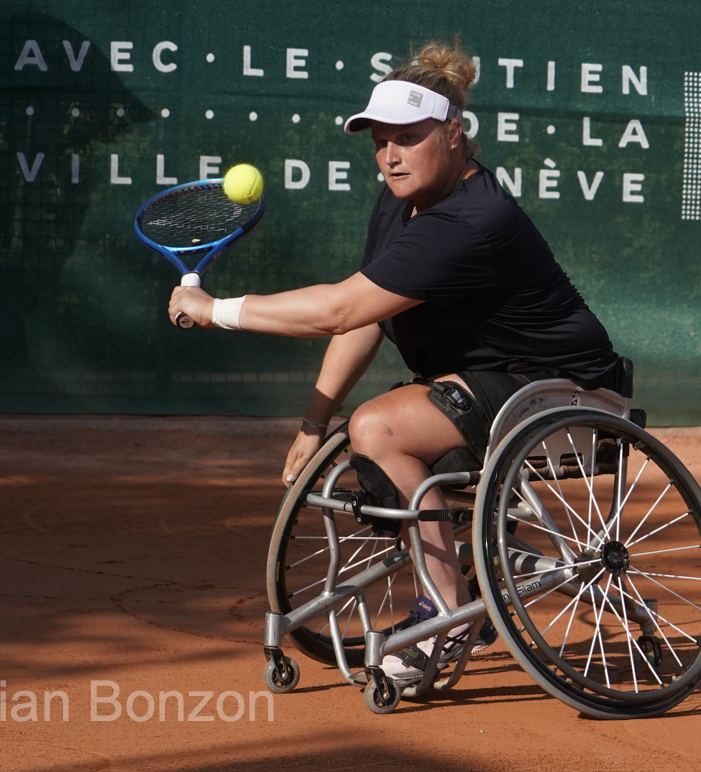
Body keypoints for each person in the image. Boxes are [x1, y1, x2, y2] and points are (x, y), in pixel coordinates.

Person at [168, 41, 623, 679]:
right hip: (490, 387)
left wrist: (216, 308)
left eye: (408, 137)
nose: (390, 155)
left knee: (380, 426)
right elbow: (367, 315)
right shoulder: (401, 201)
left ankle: (444, 615)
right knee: (371, 429)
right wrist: (312, 420)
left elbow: (336, 310)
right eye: (381, 140)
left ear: (455, 134)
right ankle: (482, 568)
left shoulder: (468, 219)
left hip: (562, 392)